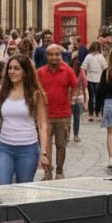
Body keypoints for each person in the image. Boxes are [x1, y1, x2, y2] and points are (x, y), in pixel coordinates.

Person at [0, 55, 51, 184]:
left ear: (25, 72)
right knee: (1, 186)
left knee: (23, 190)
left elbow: (42, 124)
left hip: (28, 149)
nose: (12, 71)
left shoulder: (35, 94)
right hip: (4, 147)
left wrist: (44, 152)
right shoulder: (3, 92)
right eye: (10, 68)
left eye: (16, 68)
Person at [37, 44, 79, 179]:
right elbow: (35, 89)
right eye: (50, 54)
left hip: (63, 114)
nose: (54, 57)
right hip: (46, 115)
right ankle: (48, 171)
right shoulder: (41, 72)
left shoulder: (67, 70)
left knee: (61, 145)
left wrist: (73, 97)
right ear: (46, 56)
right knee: (46, 145)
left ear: (61, 55)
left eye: (57, 54)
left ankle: (60, 171)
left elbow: (75, 85)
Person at [82, 41, 108, 122]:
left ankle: (96, 113)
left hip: (98, 79)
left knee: (97, 97)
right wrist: (84, 77)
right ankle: (92, 114)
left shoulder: (100, 56)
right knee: (92, 97)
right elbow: (83, 67)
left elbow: (105, 67)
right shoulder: (89, 56)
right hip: (90, 79)